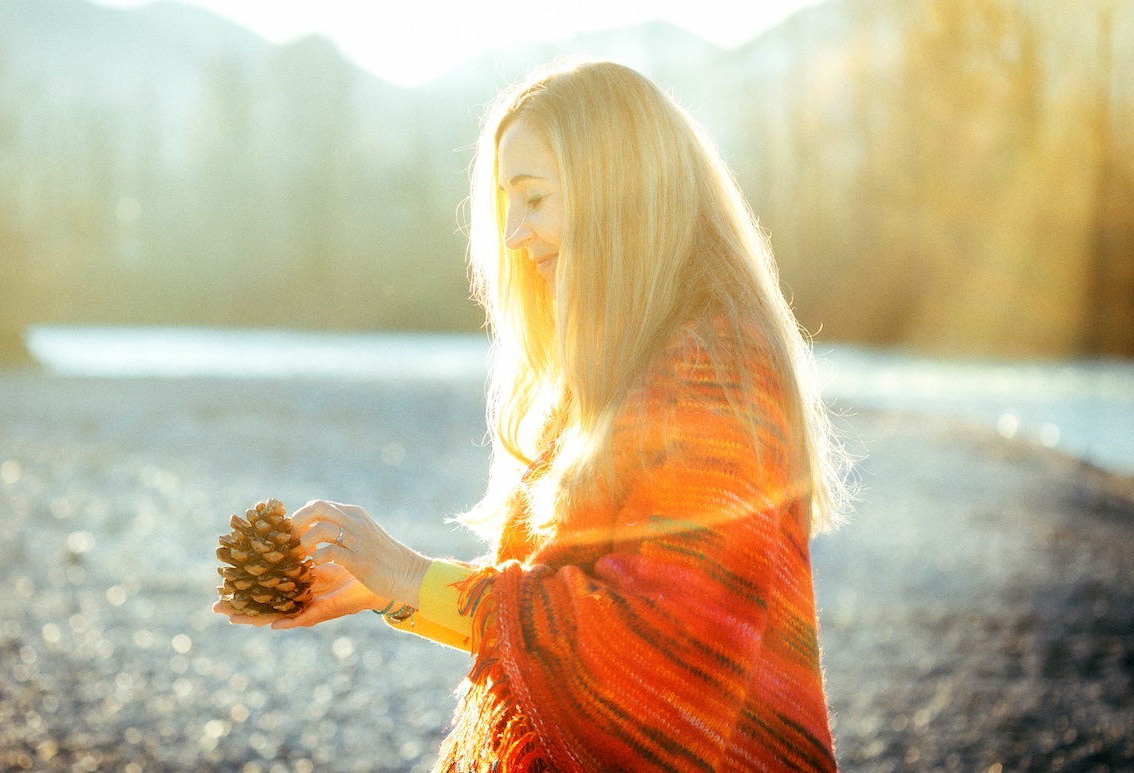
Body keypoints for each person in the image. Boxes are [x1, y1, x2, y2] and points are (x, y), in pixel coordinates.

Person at [216, 57, 852, 772]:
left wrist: (408, 571)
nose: (514, 234)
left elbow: (655, 653)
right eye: (505, 203)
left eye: (535, 199)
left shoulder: (712, 367)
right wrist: (389, 591)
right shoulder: (616, 368)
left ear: (619, 196)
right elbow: (555, 628)